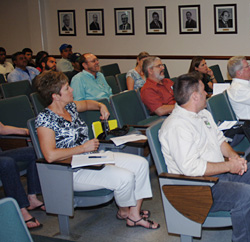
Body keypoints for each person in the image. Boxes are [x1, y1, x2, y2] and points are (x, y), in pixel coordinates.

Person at [159, 72, 250, 242]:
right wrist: (229, 167)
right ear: (195, 97)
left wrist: (234, 159)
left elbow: (220, 141)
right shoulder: (176, 126)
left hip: (219, 174)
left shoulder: (203, 114)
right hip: (199, 186)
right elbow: (192, 168)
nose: (206, 94)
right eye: (203, 91)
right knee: (248, 195)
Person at [34, 71, 159, 230]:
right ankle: (124, 212)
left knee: (141, 164)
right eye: (67, 89)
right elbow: (50, 155)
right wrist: (82, 148)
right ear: (55, 96)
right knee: (125, 177)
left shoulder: (70, 107)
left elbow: (87, 104)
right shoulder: (45, 119)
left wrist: (101, 106)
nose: (72, 90)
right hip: (70, 170)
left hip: (91, 158)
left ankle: (133, 214)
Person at [0, 110, 44, 230]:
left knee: (35, 151)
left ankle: (32, 198)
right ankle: (21, 208)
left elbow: (1, 129)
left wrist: (27, 132)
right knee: (6, 162)